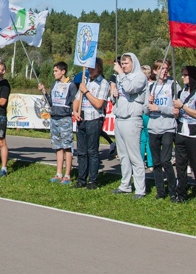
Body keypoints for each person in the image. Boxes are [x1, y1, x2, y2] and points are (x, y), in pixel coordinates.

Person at [110, 53, 148, 198]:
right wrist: (113, 94)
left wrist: (120, 73)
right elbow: (117, 96)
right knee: (123, 155)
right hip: (120, 117)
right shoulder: (121, 77)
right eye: (122, 63)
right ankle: (125, 184)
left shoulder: (140, 77)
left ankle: (140, 188)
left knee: (134, 155)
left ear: (133, 63)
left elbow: (131, 88)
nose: (123, 66)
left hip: (132, 119)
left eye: (126, 63)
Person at [173, 65, 196, 205]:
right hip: (181, 132)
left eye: (185, 75)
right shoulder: (181, 92)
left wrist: (183, 106)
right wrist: (176, 112)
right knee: (180, 166)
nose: (183, 77)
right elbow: (178, 113)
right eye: (182, 74)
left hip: (195, 134)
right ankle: (181, 194)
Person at [38, 61, 78, 184]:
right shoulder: (54, 84)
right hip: (54, 118)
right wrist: (44, 91)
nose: (54, 73)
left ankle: (67, 175)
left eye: (56, 71)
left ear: (63, 71)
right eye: (54, 71)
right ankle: (59, 173)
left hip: (65, 118)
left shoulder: (71, 85)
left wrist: (73, 111)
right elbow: (50, 102)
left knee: (67, 147)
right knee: (58, 147)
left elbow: (74, 101)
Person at [73, 59, 109, 189]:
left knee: (92, 151)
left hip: (94, 119)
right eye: (89, 68)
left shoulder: (103, 83)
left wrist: (86, 92)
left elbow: (99, 104)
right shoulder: (86, 81)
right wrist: (75, 111)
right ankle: (81, 179)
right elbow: (77, 99)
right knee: (81, 151)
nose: (90, 70)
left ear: (99, 68)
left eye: (93, 68)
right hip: (82, 119)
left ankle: (93, 180)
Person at [147, 59, 178, 200]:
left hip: (168, 127)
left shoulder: (173, 85)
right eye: (161, 69)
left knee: (166, 160)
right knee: (156, 162)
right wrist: (149, 103)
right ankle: (160, 191)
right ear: (155, 71)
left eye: (166, 69)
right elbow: (145, 110)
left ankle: (173, 191)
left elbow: (175, 111)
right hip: (153, 127)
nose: (164, 71)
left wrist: (158, 107)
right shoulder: (150, 87)